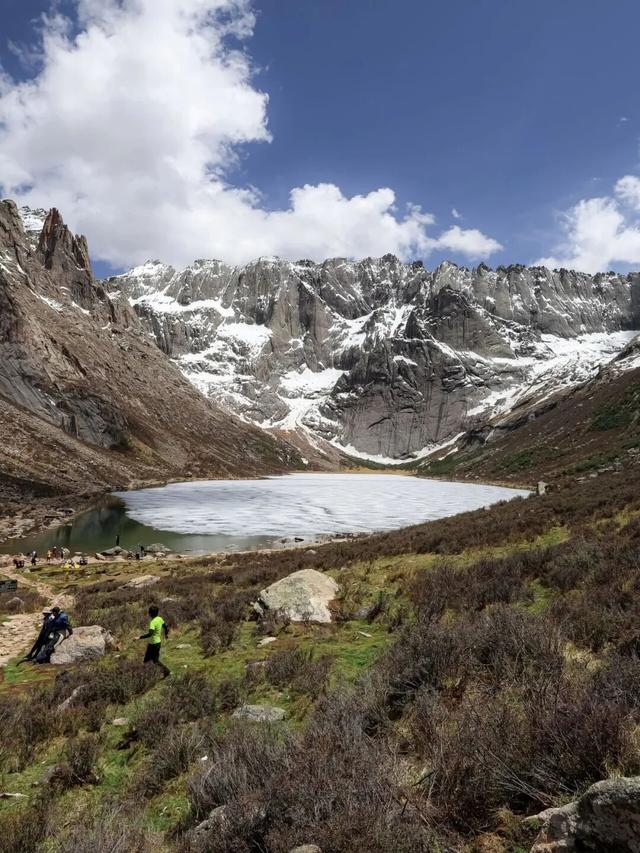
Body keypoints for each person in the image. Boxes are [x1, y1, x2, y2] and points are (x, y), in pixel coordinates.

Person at [138, 605, 170, 678]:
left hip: (153, 644)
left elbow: (150, 634)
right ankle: (145, 674)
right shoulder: (160, 619)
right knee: (147, 660)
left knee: (154, 660)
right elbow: (165, 627)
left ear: (150, 613)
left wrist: (139, 637)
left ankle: (166, 671)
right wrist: (166, 635)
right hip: (157, 643)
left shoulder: (152, 622)